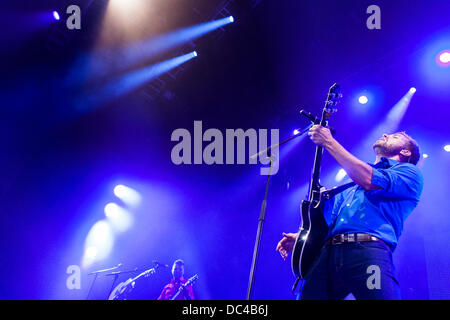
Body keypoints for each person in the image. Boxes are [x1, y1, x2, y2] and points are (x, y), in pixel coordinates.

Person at [276, 126, 423, 300]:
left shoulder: (409, 172)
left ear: (406, 151)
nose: (385, 134)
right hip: (330, 252)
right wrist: (306, 238)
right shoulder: (352, 182)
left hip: (368, 250)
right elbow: (331, 221)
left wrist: (329, 142)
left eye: (395, 136)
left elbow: (369, 179)